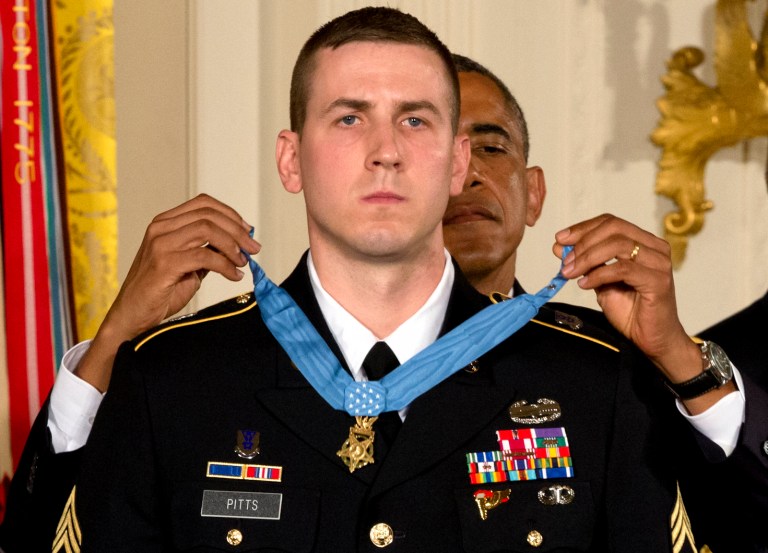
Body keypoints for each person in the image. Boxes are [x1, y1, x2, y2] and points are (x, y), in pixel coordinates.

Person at [0, 12, 759, 551]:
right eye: (349, 118)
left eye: (417, 120)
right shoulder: (171, 380)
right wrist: (109, 348)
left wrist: (689, 373)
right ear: (291, 159)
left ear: (458, 164)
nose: (386, 152)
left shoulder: (595, 379)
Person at [445, 53, 768, 553]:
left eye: (490, 147)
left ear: (534, 195)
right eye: (440, 150)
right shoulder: (310, 353)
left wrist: (678, 355)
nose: (467, 175)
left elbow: (738, 529)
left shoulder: (606, 366)